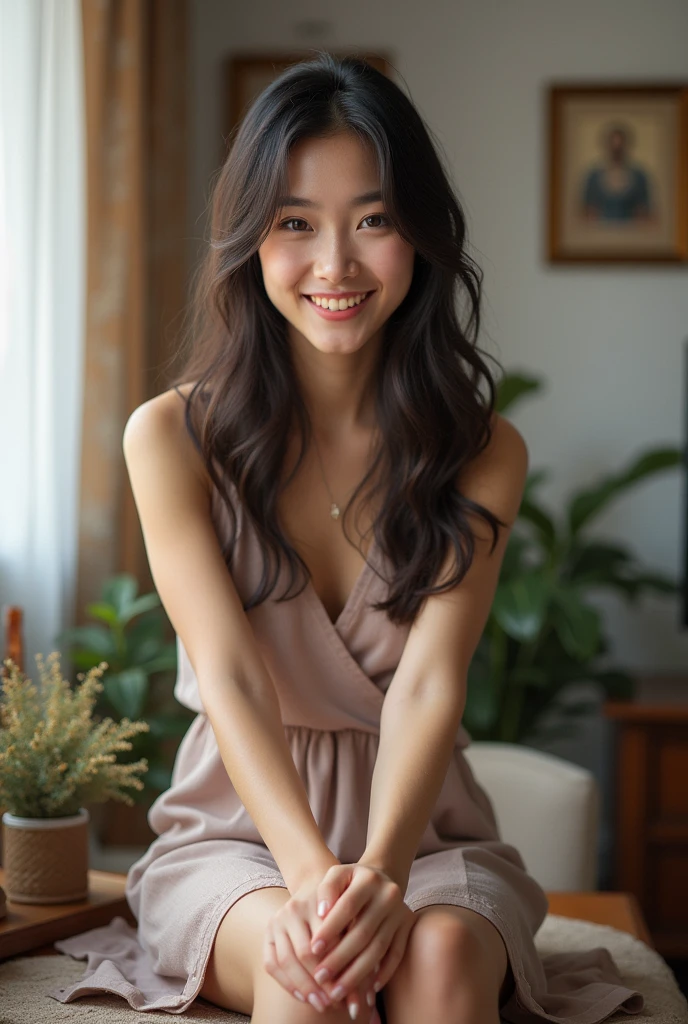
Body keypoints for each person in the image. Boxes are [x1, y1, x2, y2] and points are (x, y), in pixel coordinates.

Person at [50, 52, 644, 1024]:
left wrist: (378, 867)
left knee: (442, 960)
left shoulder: (483, 451)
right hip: (236, 834)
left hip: (427, 832)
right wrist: (314, 877)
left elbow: (427, 682)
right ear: (248, 239)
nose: (335, 265)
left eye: (372, 219)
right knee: (311, 976)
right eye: (295, 224)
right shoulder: (170, 438)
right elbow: (232, 677)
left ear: (420, 233)